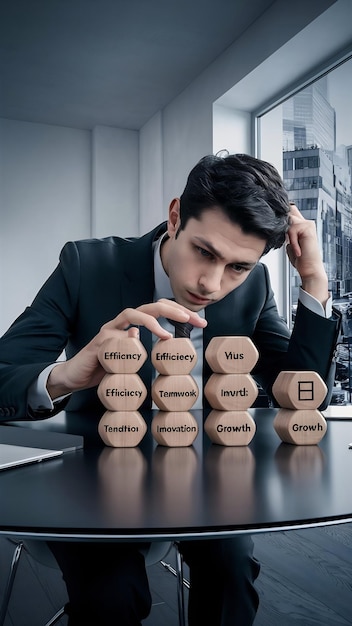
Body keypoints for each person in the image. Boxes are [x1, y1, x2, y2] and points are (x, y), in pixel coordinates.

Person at [0, 153, 340, 625]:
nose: (212, 283)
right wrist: (68, 374)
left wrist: (314, 280)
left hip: (211, 476)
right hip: (95, 476)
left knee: (232, 579)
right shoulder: (86, 264)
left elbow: (302, 391)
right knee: (113, 600)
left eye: (237, 267)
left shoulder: (255, 285)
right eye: (204, 252)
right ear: (175, 215)